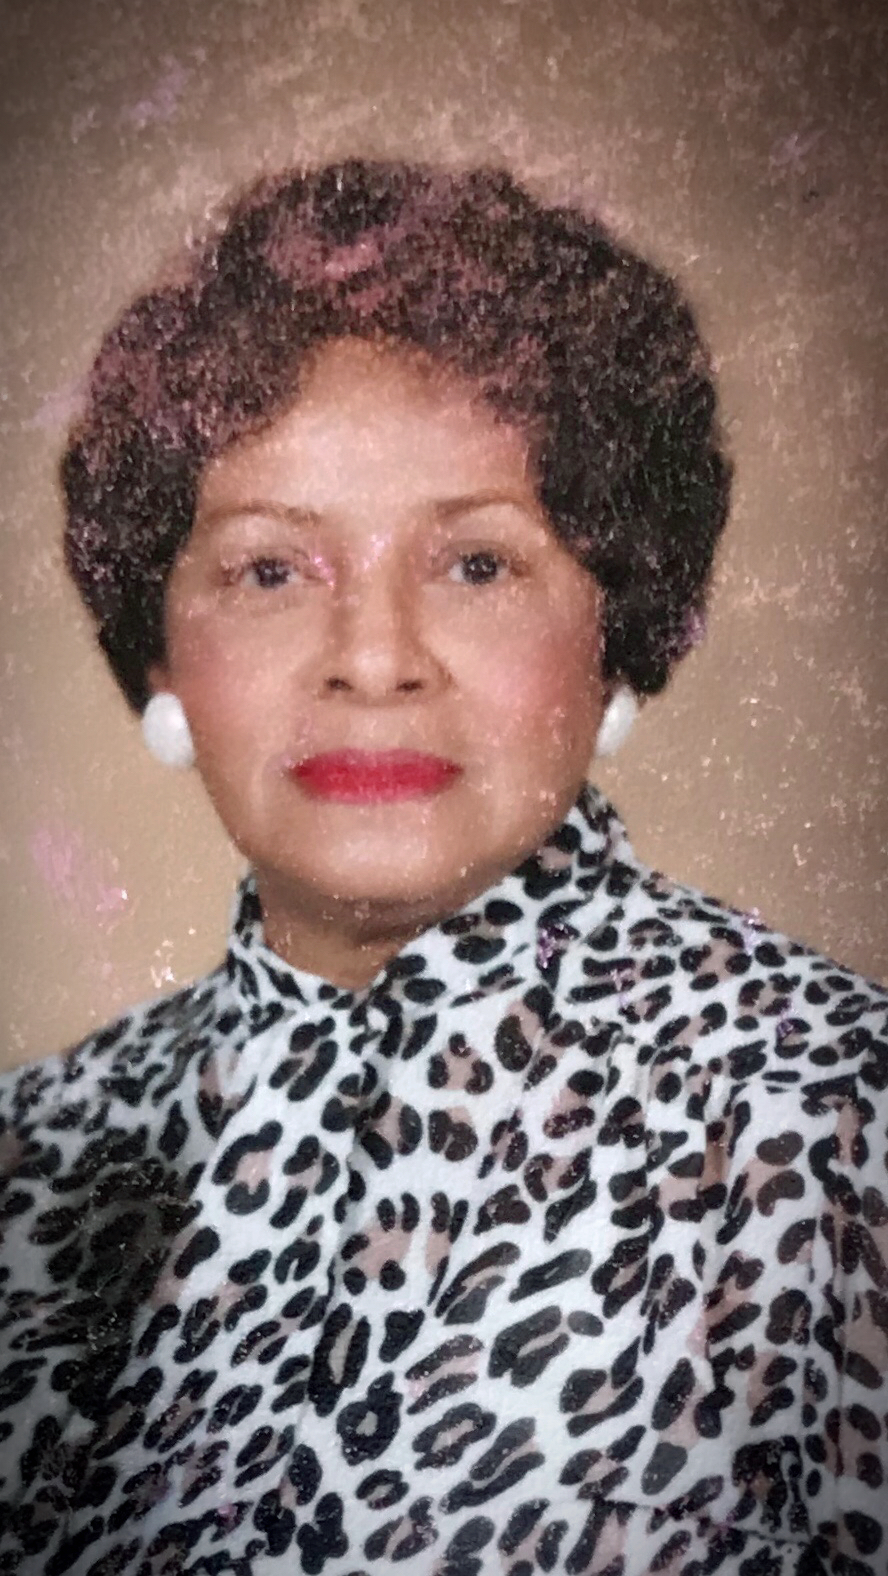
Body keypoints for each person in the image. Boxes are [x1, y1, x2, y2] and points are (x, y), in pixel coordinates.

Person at [0, 159, 885, 1576]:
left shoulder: (834, 1126)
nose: (373, 660)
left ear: (617, 628)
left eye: (476, 564)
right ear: (160, 652)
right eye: (270, 570)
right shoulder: (37, 1153)